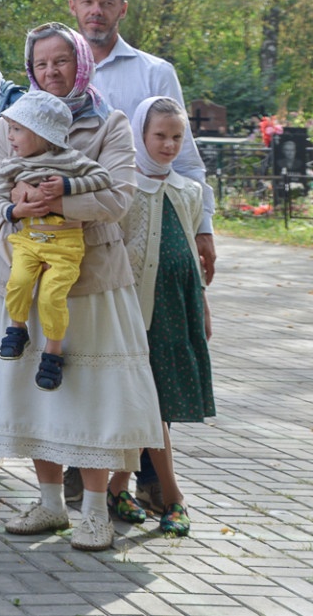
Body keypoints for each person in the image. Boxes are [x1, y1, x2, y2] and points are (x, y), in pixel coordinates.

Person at [0, 22, 163, 552]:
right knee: (36, 393)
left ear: (80, 63)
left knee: (89, 397)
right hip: (20, 276)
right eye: (40, 64)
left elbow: (119, 197)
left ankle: (95, 512)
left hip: (91, 283)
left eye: (60, 61)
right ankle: (51, 501)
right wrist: (15, 212)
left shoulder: (110, 123)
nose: (50, 72)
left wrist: (56, 202)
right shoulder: (10, 122)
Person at [109, 97, 214, 537]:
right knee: (147, 403)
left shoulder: (189, 192)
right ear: (140, 135)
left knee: (158, 405)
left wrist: (203, 304)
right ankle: (172, 496)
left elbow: (190, 253)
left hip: (178, 309)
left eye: (176, 137)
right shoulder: (126, 189)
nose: (169, 145)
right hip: (138, 311)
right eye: (160, 136)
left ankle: (118, 487)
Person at [71, 0, 215, 283]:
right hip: (72, 223)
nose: (97, 11)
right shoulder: (54, 74)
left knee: (149, 327)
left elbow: (185, 154)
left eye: (107, 3)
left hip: (145, 230)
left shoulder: (155, 73)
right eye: (88, 2)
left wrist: (203, 227)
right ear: (73, 7)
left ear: (122, 9)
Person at [0, 90, 109, 390]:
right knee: (17, 282)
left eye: (18, 130)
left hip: (65, 244)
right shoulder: (13, 164)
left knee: (51, 296)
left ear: (42, 134)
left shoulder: (70, 160)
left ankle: (53, 352)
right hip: (29, 239)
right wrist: (13, 210)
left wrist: (67, 186)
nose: (11, 136)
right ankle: (17, 329)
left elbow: (101, 178)